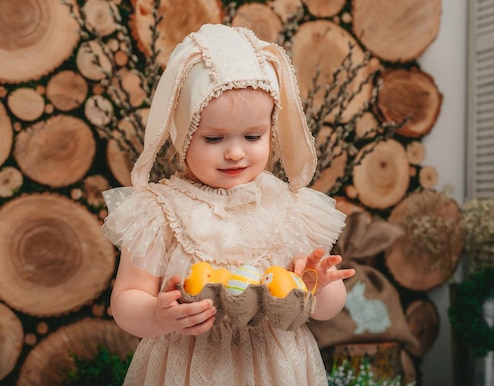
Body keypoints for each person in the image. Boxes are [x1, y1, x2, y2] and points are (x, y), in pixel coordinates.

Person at [101, 23, 355, 385]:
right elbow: (125, 300)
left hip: (277, 369)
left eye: (253, 136)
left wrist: (318, 285)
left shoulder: (290, 207)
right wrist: (157, 316)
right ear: (183, 135)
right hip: (188, 367)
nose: (236, 152)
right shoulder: (158, 211)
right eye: (214, 137)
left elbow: (328, 311)